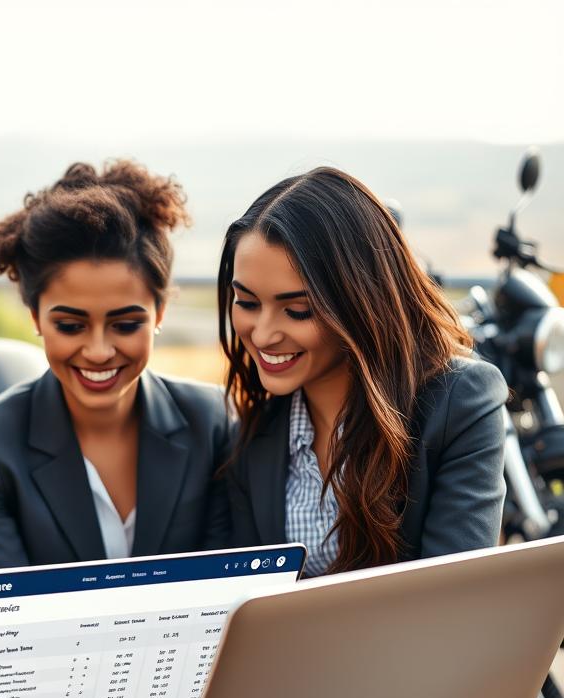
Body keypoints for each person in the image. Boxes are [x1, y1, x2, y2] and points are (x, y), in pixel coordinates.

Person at [218, 167, 508, 575]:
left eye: (297, 310)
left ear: (360, 302)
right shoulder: (251, 437)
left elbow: (453, 597)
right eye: (246, 303)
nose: (263, 334)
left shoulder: (460, 402)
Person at [0, 160, 230, 571]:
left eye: (126, 323)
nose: (98, 351)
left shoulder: (215, 423)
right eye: (70, 325)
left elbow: (227, 589)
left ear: (161, 312)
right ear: (35, 317)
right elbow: (8, 620)